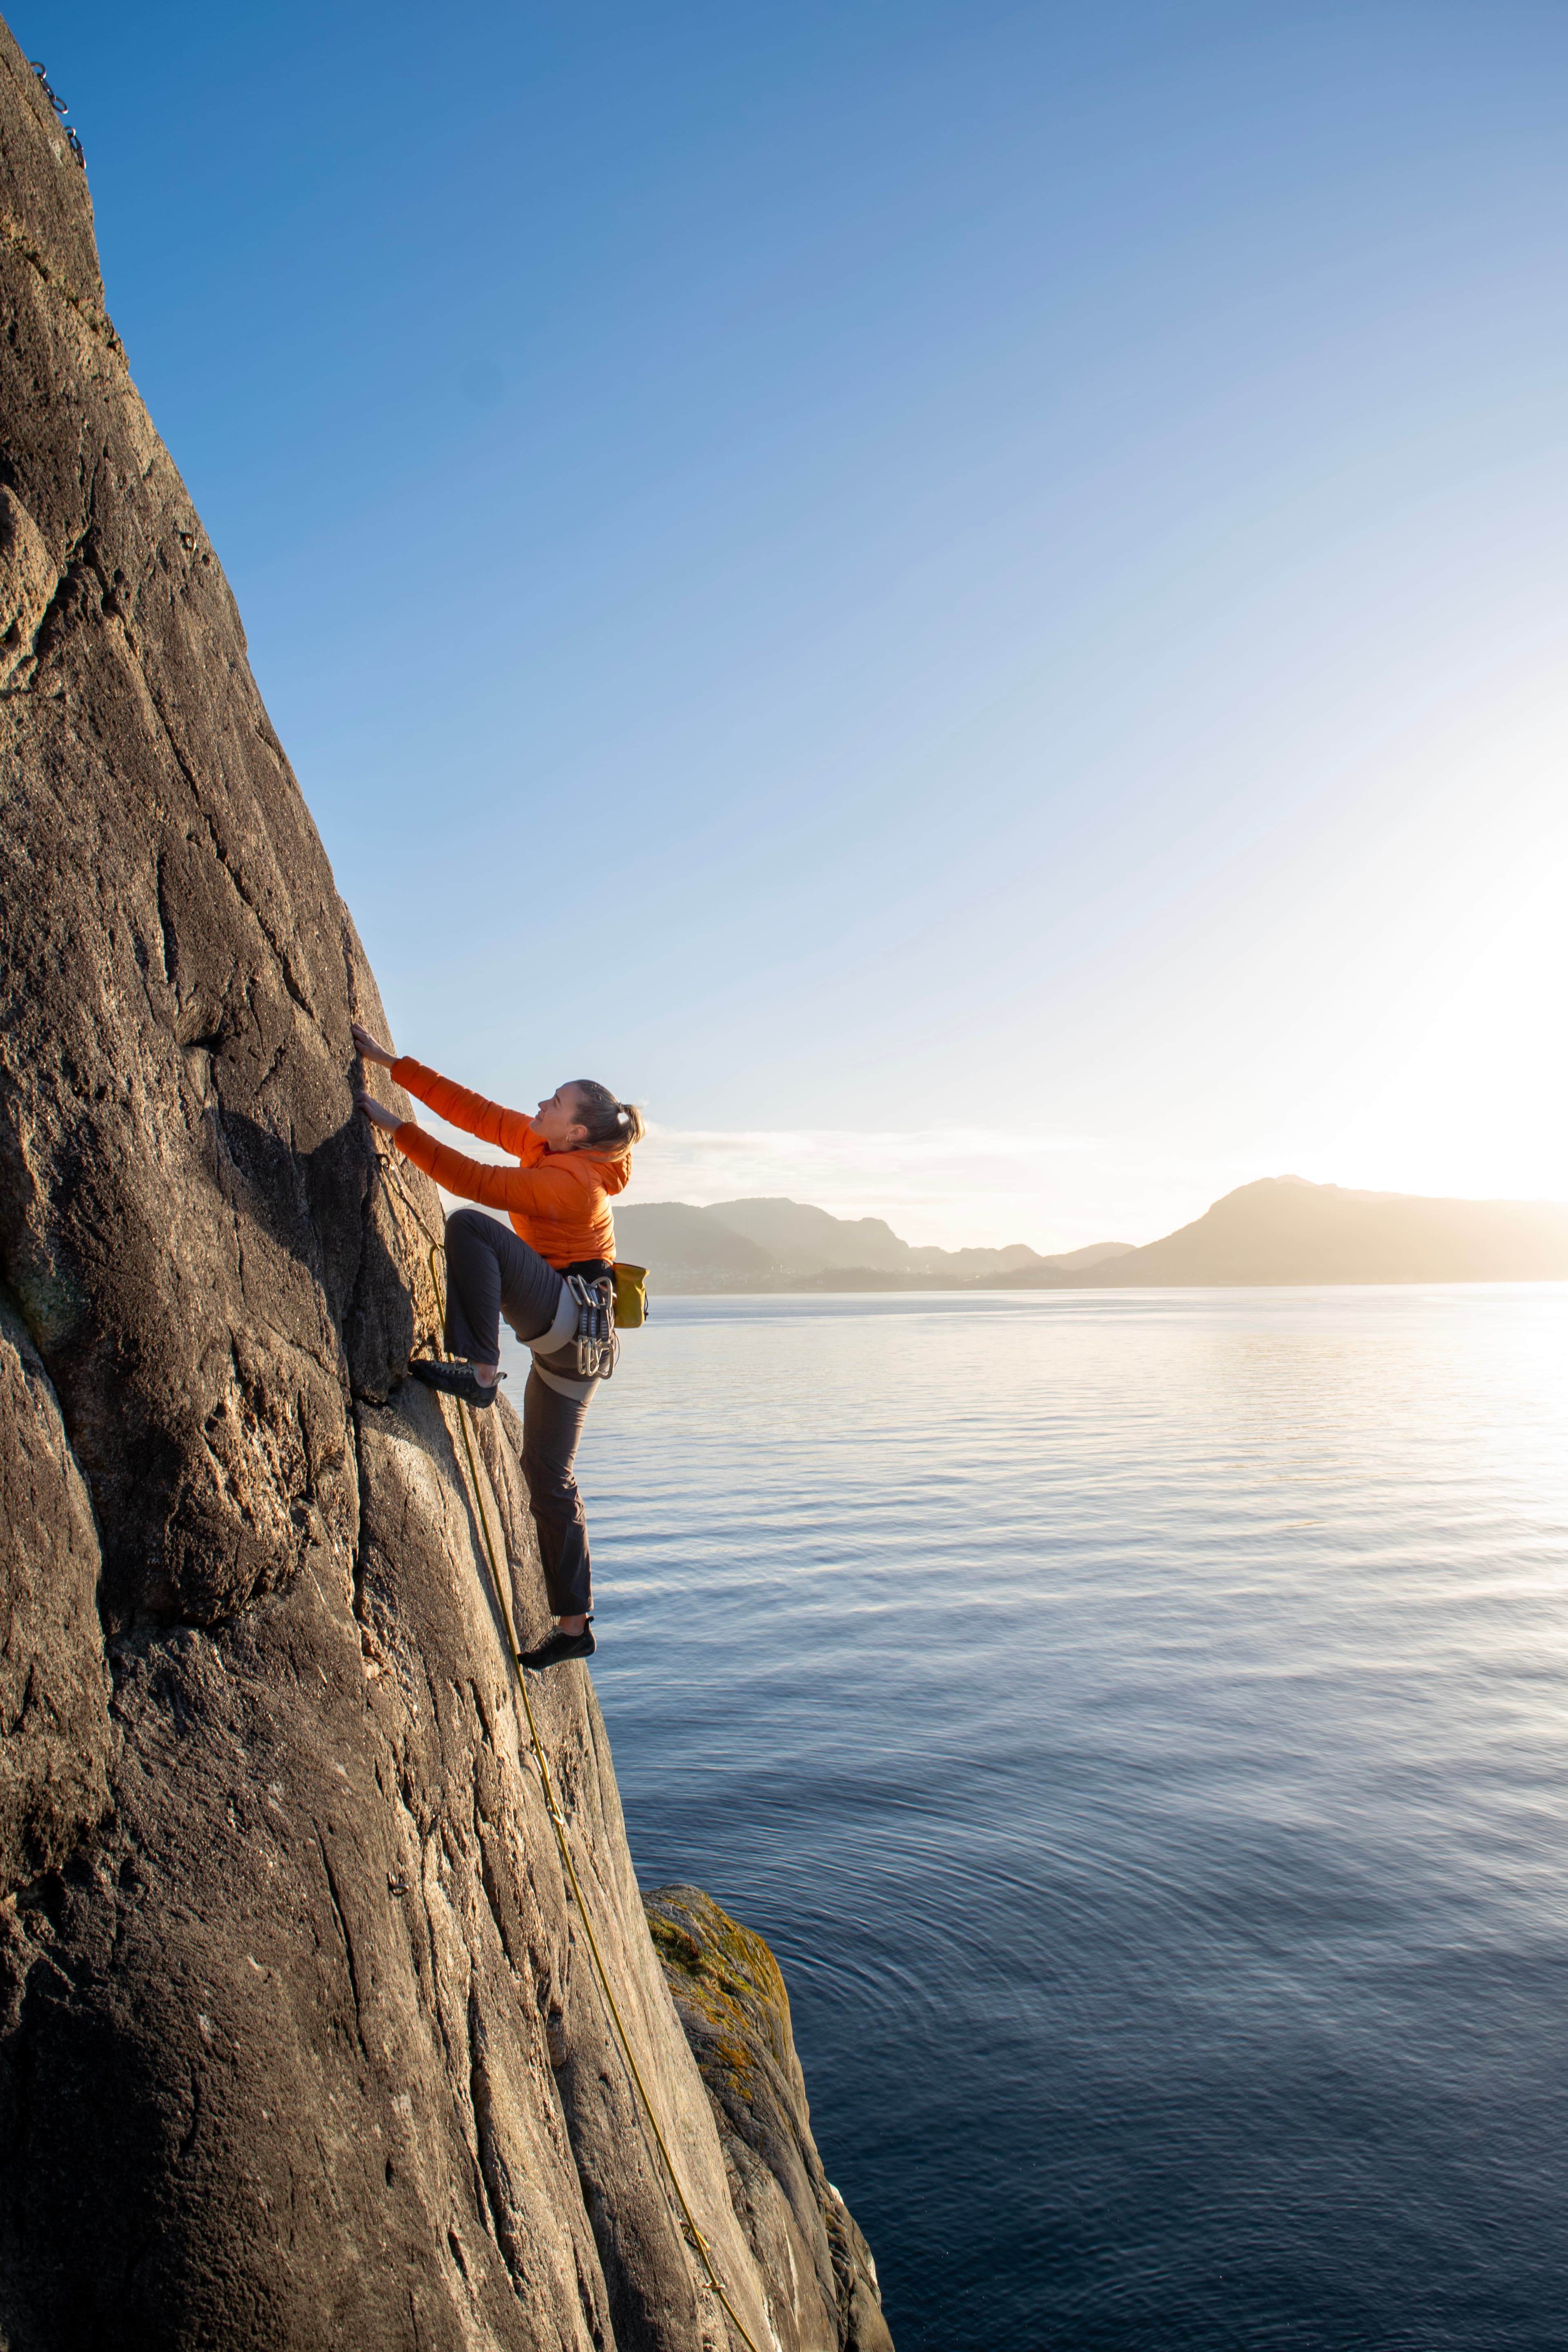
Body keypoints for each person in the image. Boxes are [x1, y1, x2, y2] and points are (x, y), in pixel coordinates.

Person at [352, 1022, 645, 1670]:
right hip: (579, 1351)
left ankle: (482, 1373)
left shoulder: (574, 1184)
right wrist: (392, 1064)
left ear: (575, 1132)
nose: (540, 1105)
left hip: (568, 1320)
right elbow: (477, 1114)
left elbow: (479, 1184)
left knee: (471, 1229)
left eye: (555, 1103)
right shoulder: (549, 1146)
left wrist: (394, 1128)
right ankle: (575, 1626)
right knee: (548, 1477)